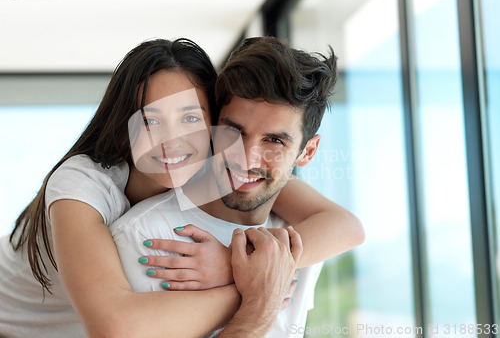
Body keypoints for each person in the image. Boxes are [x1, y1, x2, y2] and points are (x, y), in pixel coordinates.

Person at [0, 38, 363, 338]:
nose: (172, 141)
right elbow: (113, 326)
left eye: (190, 117)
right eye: (150, 120)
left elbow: (345, 225)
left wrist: (232, 262)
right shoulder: (83, 183)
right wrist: (254, 286)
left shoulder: (231, 158)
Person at [110, 36, 354, 337]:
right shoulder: (145, 237)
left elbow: (351, 227)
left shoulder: (298, 237)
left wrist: (235, 263)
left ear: (308, 152)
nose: (245, 157)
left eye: (274, 140)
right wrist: (256, 292)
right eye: (233, 130)